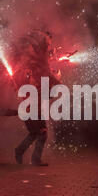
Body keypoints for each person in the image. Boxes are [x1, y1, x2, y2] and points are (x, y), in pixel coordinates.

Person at [12, 30, 60, 166]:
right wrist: (57, 81)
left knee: (36, 133)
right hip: (32, 109)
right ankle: (33, 158)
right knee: (41, 133)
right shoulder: (39, 73)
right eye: (48, 41)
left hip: (31, 109)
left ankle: (21, 151)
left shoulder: (38, 76)